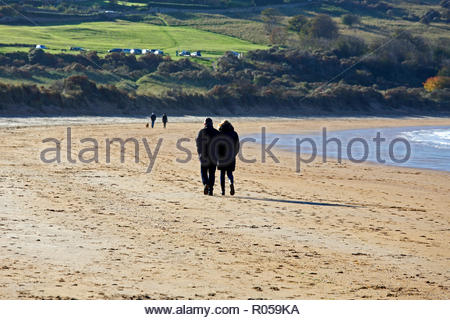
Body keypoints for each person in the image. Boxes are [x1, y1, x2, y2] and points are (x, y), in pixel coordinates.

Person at [196, 118, 219, 196]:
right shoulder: (217, 132)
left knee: (204, 171)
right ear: (212, 124)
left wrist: (199, 153)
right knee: (212, 173)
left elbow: (198, 144)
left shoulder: (201, 132)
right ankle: (211, 190)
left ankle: (206, 183)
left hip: (204, 155)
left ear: (205, 124)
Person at [217, 120, 239, 196]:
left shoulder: (219, 133)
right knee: (229, 172)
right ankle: (231, 182)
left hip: (222, 156)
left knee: (222, 173)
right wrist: (234, 154)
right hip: (231, 156)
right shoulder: (234, 133)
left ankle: (223, 191)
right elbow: (237, 146)